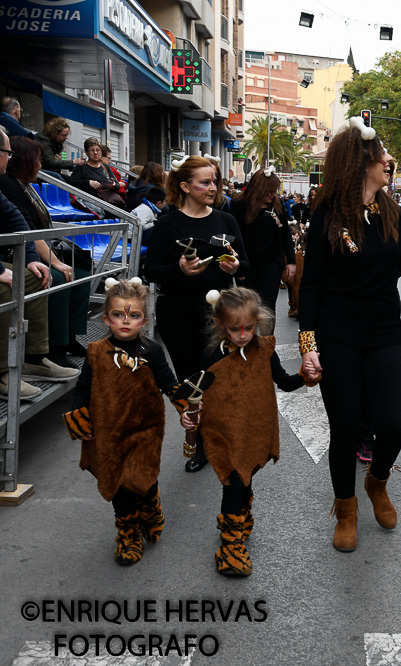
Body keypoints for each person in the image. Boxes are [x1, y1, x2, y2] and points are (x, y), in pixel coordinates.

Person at [297, 117, 401, 553]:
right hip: (338, 336)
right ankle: (346, 508)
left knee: (394, 425)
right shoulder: (327, 216)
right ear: (360, 162)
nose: (389, 161)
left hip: (386, 333)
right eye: (381, 156)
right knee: (346, 428)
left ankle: (377, 482)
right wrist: (308, 347)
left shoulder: (392, 213)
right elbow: (310, 285)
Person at [185, 287, 312, 576]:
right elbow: (197, 391)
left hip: (254, 429)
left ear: (258, 323)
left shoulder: (264, 350)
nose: (243, 335)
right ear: (220, 325)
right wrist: (190, 415)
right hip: (223, 430)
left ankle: (242, 515)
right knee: (234, 482)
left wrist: (307, 376)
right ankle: (230, 545)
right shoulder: (211, 354)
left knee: (245, 476)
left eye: (249, 328)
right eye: (235, 329)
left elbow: (285, 382)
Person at [62, 278, 179, 565]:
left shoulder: (152, 351)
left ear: (144, 320)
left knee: (141, 477)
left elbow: (169, 384)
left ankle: (151, 502)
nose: (125, 321)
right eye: (118, 314)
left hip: (144, 431)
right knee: (118, 484)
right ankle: (128, 534)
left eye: (134, 315)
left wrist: (186, 408)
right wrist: (81, 420)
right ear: (106, 318)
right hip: (108, 432)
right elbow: (83, 389)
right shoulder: (95, 353)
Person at [144, 154, 247, 473]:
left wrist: (236, 266)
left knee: (216, 376)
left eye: (214, 181)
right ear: (185, 186)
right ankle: (202, 444)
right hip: (176, 314)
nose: (213, 187)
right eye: (205, 182)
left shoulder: (226, 220)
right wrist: (178, 269)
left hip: (216, 316)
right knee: (192, 379)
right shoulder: (167, 222)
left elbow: (245, 262)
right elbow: (149, 269)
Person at [0, 135, 91, 368]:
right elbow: (29, 230)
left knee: (80, 273)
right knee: (55, 277)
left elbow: (19, 222)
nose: (41, 165)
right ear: (25, 160)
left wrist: (38, 258)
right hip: (11, 253)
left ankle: (69, 337)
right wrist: (54, 262)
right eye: (38, 160)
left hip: (28, 250)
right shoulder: (8, 184)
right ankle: (51, 348)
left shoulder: (24, 186)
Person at [228, 167, 296, 329]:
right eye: (269, 191)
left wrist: (291, 261)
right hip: (247, 262)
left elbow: (285, 234)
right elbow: (235, 238)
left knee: (267, 307)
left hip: (271, 263)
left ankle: (267, 344)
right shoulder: (239, 205)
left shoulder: (277, 205)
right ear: (258, 189)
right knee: (247, 306)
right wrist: (239, 266)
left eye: (274, 191)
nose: (272, 195)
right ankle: (246, 342)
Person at [68, 138, 125, 208]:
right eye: (92, 150)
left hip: (109, 201)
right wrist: (88, 182)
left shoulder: (106, 167)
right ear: (86, 152)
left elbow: (117, 185)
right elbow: (72, 183)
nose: (95, 153)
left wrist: (113, 185)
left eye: (98, 150)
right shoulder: (81, 167)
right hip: (91, 202)